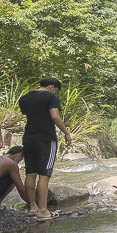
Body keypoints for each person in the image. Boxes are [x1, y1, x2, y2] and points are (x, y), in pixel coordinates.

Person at [18, 76, 71, 221]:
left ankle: (32, 207)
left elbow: (31, 115)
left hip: (28, 138)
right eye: (56, 91)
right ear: (52, 87)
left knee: (30, 173)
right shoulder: (50, 97)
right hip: (46, 139)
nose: (55, 94)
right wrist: (66, 132)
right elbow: (54, 116)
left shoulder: (25, 98)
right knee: (44, 174)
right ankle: (43, 210)